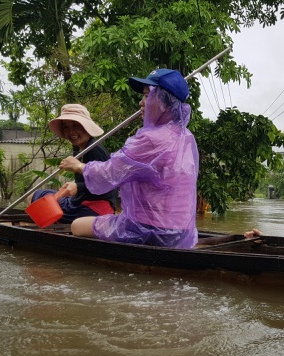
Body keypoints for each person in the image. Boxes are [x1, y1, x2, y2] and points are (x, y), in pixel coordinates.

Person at [59, 69, 199, 249]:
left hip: (147, 230)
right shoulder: (186, 137)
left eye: (147, 96)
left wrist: (78, 166)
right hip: (183, 234)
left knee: (76, 226)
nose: (141, 103)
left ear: (163, 102)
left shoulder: (150, 140)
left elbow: (108, 174)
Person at [27, 104, 117, 222]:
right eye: (66, 127)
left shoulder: (93, 150)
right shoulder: (81, 148)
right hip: (81, 202)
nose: (71, 132)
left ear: (86, 127)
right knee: (41, 195)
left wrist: (78, 187)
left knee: (33, 197)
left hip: (93, 208)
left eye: (76, 126)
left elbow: (107, 181)